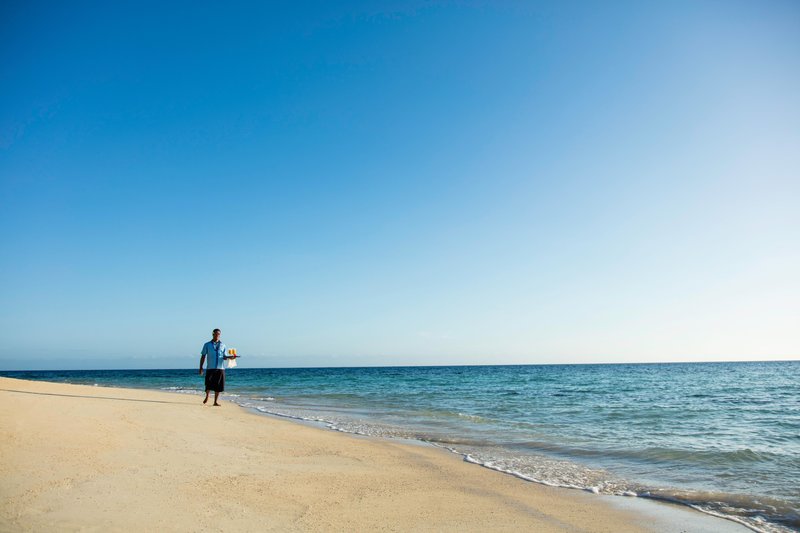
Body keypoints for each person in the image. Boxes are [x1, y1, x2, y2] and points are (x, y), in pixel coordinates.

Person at [199, 328, 232, 406]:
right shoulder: (207, 344)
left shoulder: (223, 345)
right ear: (213, 334)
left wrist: (230, 357)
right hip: (210, 368)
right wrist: (201, 367)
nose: (217, 335)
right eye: (216, 334)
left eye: (219, 334)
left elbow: (224, 356)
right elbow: (203, 356)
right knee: (208, 384)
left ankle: (215, 402)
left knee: (219, 385)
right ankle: (207, 396)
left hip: (220, 368)